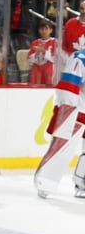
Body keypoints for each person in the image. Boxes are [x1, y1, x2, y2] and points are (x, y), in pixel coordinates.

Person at [34, 38, 85, 198]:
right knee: (61, 147)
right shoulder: (80, 58)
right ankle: (45, 182)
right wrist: (67, 112)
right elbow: (68, 88)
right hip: (77, 111)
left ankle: (82, 184)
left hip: (79, 109)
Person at [29, 19, 58, 86]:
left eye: (46, 29)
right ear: (39, 30)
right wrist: (36, 54)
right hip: (36, 71)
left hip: (49, 70)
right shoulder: (35, 42)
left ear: (51, 30)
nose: (44, 31)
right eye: (42, 29)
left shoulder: (55, 42)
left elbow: (56, 58)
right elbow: (29, 60)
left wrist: (44, 52)